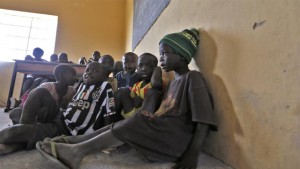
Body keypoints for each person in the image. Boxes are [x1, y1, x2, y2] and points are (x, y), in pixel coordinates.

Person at [36, 28, 217, 169]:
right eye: (160, 53)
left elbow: (204, 119)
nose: (161, 58)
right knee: (127, 122)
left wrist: (192, 153)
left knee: (139, 119)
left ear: (182, 55)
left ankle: (77, 151)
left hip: (174, 142)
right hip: (162, 133)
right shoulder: (175, 82)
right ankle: (75, 141)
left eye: (165, 53)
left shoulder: (193, 78)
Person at [0, 62, 118, 155]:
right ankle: (26, 132)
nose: (88, 72)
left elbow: (109, 115)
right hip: (60, 116)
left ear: (104, 77)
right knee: (39, 92)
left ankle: (22, 137)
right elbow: (70, 106)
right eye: (87, 70)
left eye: (95, 71)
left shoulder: (105, 86)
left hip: (65, 130)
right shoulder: (81, 86)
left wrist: (106, 141)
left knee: (9, 133)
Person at [9, 65, 77, 124]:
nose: (75, 78)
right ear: (61, 75)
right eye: (73, 75)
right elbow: (31, 104)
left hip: (55, 117)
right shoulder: (46, 87)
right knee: (15, 113)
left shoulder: (72, 90)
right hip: (39, 114)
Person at [115, 53, 160, 118]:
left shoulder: (153, 84)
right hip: (132, 113)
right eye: (140, 66)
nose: (144, 69)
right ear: (137, 68)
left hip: (141, 118)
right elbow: (131, 98)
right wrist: (134, 99)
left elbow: (157, 84)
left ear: (155, 69)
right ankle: (112, 117)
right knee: (121, 92)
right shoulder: (137, 85)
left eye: (149, 66)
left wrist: (158, 69)